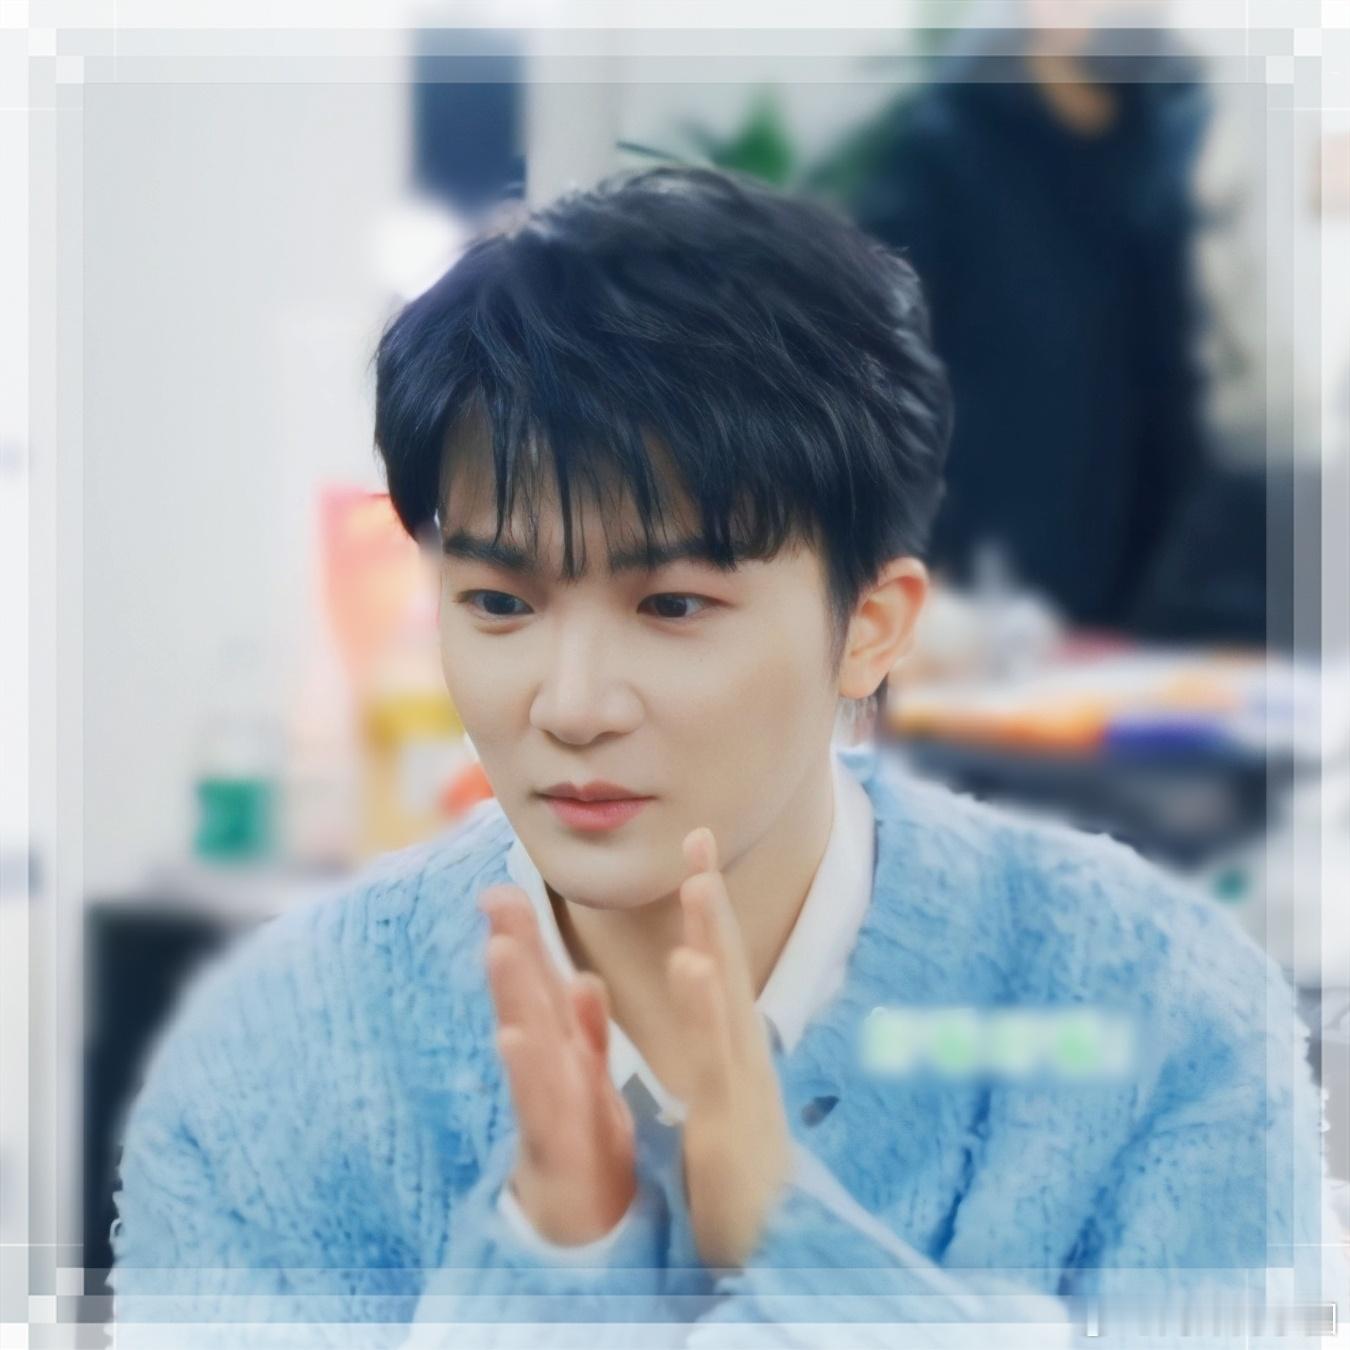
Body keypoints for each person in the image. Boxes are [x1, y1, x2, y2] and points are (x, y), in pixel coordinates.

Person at [108, 166, 1341, 1347]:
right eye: (499, 604)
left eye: (673, 606)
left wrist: (806, 1263)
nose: (571, 706)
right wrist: (549, 1269)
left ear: (871, 627)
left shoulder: (1153, 1013)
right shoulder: (276, 1066)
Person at [842, 0, 1215, 631]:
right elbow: (874, 364)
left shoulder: (1170, 148)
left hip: (1145, 592)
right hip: (981, 594)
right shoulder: (942, 153)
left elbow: (1179, 379)